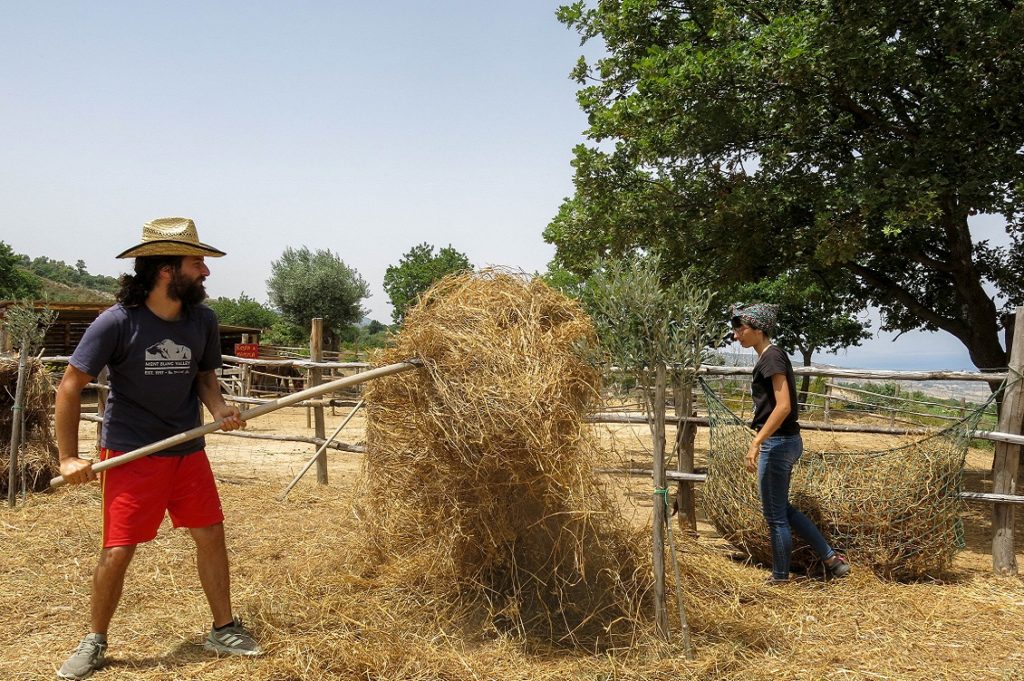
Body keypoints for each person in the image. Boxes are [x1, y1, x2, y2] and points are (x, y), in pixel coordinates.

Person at [55, 218, 262, 680]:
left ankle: (223, 628)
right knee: (119, 548)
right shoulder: (116, 323)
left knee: (211, 534)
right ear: (167, 269)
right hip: (131, 453)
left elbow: (205, 377)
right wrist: (68, 457)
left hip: (186, 451)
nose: (206, 271)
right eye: (197, 262)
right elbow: (70, 387)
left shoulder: (202, 320)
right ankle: (95, 640)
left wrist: (220, 408)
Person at [730, 302, 851, 584]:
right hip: (786, 441)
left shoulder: (771, 358)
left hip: (778, 443)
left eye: (741, 329)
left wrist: (756, 442)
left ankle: (780, 578)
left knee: (775, 516)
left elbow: (783, 407)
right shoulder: (770, 357)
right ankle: (832, 559)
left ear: (758, 330)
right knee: (782, 509)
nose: (737, 335)